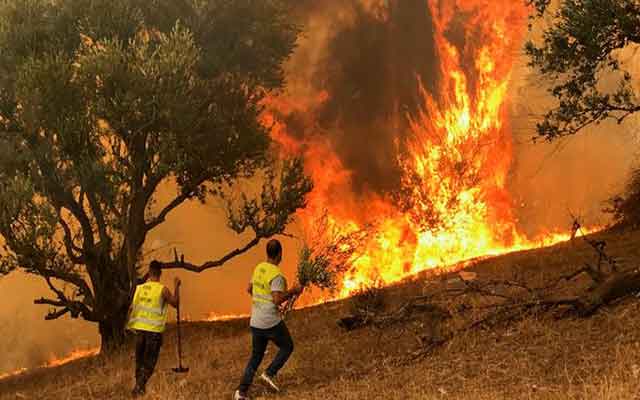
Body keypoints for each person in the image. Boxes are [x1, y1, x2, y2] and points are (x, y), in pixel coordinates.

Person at [234, 239, 303, 400]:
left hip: (256, 321)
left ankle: (240, 392)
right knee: (287, 346)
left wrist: (262, 302)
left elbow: (249, 289)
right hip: (270, 322)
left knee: (256, 357)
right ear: (280, 254)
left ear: (267, 253)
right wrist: (293, 290)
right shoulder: (276, 275)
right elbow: (277, 299)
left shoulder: (259, 268)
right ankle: (268, 374)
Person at [127, 260, 181, 397]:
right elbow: (175, 303)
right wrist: (176, 286)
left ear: (149, 272)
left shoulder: (139, 289)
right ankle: (138, 388)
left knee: (139, 363)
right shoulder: (162, 290)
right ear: (160, 273)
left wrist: (127, 325)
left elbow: (131, 308)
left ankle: (140, 389)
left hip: (139, 332)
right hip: (153, 333)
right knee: (149, 364)